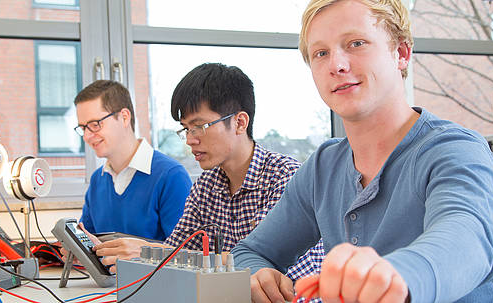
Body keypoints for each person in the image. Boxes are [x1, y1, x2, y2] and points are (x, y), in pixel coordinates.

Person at [230, 0, 493, 302]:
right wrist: (256, 275)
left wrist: (394, 277)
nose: (337, 65)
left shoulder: (457, 150)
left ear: (402, 53)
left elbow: (465, 242)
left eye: (356, 43)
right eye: (321, 53)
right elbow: (249, 252)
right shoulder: (324, 166)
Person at [87, 63, 324, 278]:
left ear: (240, 123)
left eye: (199, 126)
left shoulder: (286, 178)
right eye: (186, 129)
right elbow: (178, 253)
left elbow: (264, 269)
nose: (190, 140)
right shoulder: (206, 186)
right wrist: (150, 254)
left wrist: (153, 253)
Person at [73, 80, 191, 242]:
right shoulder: (97, 181)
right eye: (83, 128)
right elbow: (87, 241)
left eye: (95, 124)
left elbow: (187, 254)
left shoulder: (171, 176)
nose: (87, 136)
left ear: (124, 117)